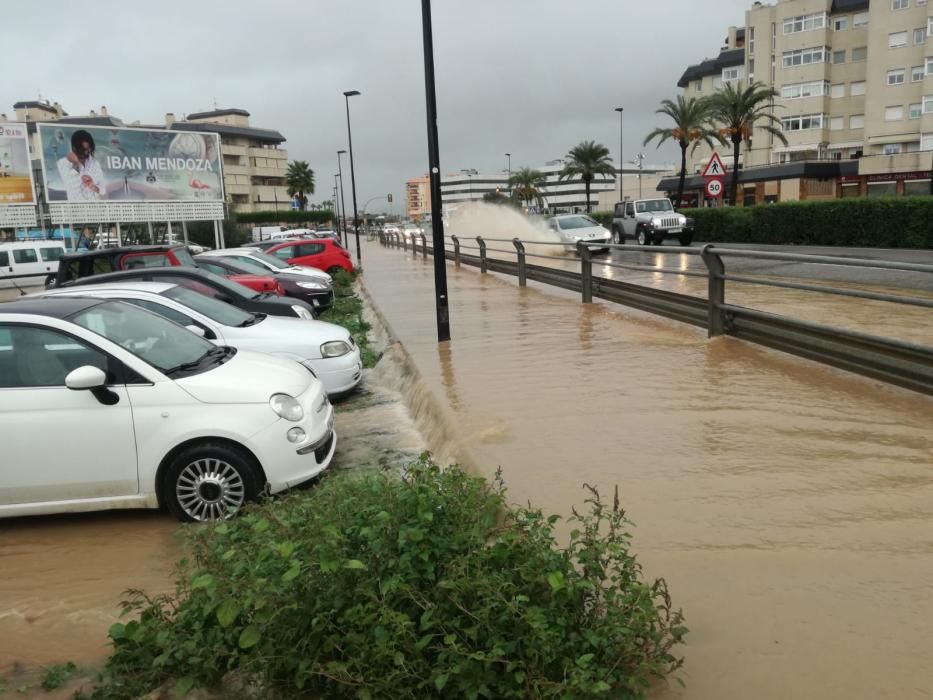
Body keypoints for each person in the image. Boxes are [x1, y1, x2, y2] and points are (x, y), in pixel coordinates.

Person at [56, 129, 105, 201]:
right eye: (84, 150)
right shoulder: (62, 163)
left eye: (89, 149)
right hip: (77, 209)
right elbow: (70, 184)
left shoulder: (95, 163)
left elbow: (103, 190)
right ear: (74, 148)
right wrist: (76, 163)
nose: (87, 152)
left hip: (95, 208)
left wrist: (92, 186)